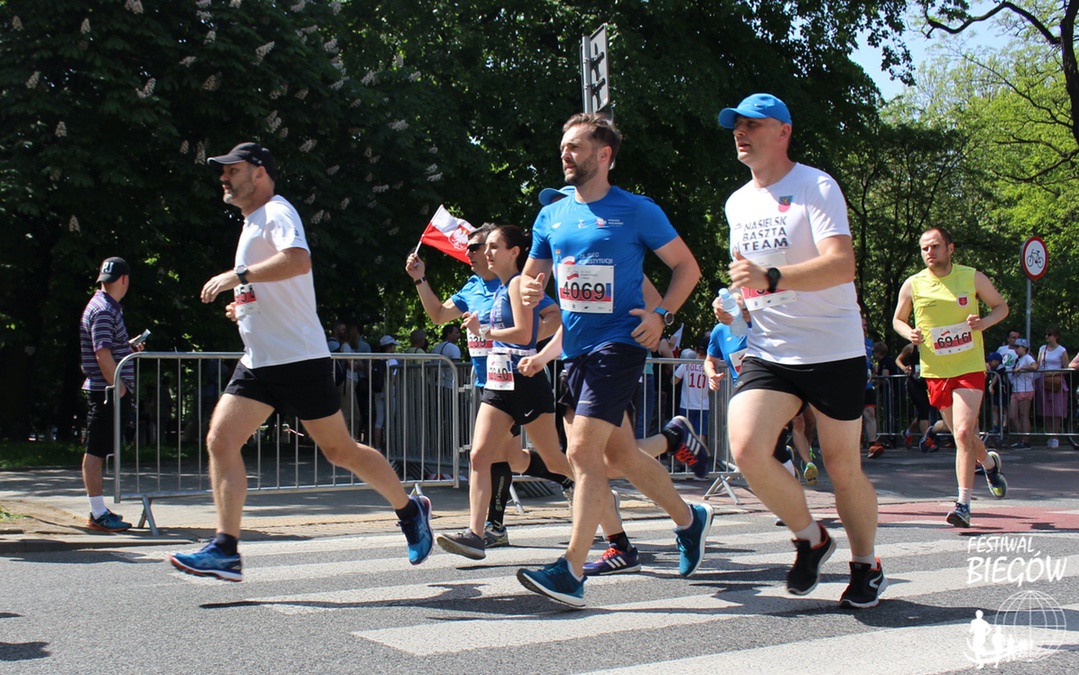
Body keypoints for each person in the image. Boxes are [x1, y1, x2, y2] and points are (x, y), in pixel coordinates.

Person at [168, 142, 432, 581]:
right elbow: (272, 283)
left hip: (298, 359)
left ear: (259, 173)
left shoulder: (276, 211)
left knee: (340, 451)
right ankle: (225, 549)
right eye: (223, 171)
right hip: (259, 361)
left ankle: (410, 510)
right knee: (220, 441)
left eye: (233, 169)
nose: (224, 177)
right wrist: (244, 303)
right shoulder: (252, 223)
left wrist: (238, 277)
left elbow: (297, 260)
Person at [515, 113, 712, 607]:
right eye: (563, 146)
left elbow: (687, 267)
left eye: (576, 147)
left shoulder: (637, 210)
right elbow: (529, 279)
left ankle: (571, 569)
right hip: (576, 351)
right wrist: (528, 290)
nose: (565, 154)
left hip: (620, 343)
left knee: (581, 453)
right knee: (619, 455)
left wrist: (662, 315)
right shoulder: (552, 215)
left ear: (604, 155)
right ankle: (689, 520)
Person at [715, 93, 884, 608]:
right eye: (736, 126)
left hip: (832, 348)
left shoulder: (816, 185)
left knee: (842, 467)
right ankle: (811, 538)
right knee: (746, 449)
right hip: (770, 348)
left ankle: (866, 564)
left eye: (753, 124)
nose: (741, 132)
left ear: (783, 131)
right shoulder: (737, 203)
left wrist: (771, 276)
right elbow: (748, 279)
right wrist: (736, 307)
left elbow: (842, 265)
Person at [406, 224, 569, 548]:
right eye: (470, 247)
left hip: (523, 378)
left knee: (532, 458)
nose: (468, 253)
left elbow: (554, 316)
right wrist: (420, 279)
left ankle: (589, 486)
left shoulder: (516, 284)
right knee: (488, 456)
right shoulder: (471, 287)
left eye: (476, 247)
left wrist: (525, 340)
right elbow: (438, 315)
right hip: (492, 383)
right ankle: (478, 533)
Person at [892, 226, 1009, 528]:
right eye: (924, 248)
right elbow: (898, 320)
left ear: (950, 248)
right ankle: (990, 464)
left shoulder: (972, 277)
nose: (929, 252)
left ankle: (963, 504)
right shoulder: (913, 284)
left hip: (969, 367)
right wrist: (910, 333)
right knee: (963, 435)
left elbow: (1001, 307)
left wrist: (983, 323)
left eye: (935, 246)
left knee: (963, 432)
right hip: (936, 371)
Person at [79, 256, 142, 532]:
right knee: (95, 451)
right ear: (125, 279)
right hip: (106, 391)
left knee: (99, 449)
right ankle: (97, 514)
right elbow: (102, 354)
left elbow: (107, 348)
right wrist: (119, 387)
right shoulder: (105, 310)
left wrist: (127, 347)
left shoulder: (103, 306)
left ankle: (99, 510)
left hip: (106, 389)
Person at [1037, 326, 1070, 448]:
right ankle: (1049, 434)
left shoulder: (1061, 350)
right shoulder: (1042, 349)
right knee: (1046, 409)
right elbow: (1039, 365)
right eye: (1046, 334)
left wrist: (1054, 373)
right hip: (1044, 381)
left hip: (1056, 382)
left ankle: (1055, 436)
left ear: (1055, 336)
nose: (1047, 337)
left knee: (1056, 410)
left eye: (1049, 334)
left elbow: (1066, 368)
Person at [672, 348, 710, 448]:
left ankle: (685, 457)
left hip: (686, 405)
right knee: (700, 435)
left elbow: (674, 381)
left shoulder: (686, 364)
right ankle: (700, 456)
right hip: (703, 406)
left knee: (685, 434)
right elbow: (711, 388)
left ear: (696, 351)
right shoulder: (708, 366)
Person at [1008, 338, 1037, 448]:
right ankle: (1021, 437)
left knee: (1024, 415)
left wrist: (1022, 368)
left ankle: (1026, 441)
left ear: (1024, 348)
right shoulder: (1017, 359)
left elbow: (1034, 366)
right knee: (1012, 415)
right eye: (1015, 347)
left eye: (1018, 347)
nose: (1016, 349)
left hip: (1025, 389)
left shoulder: (1027, 358)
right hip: (1016, 389)